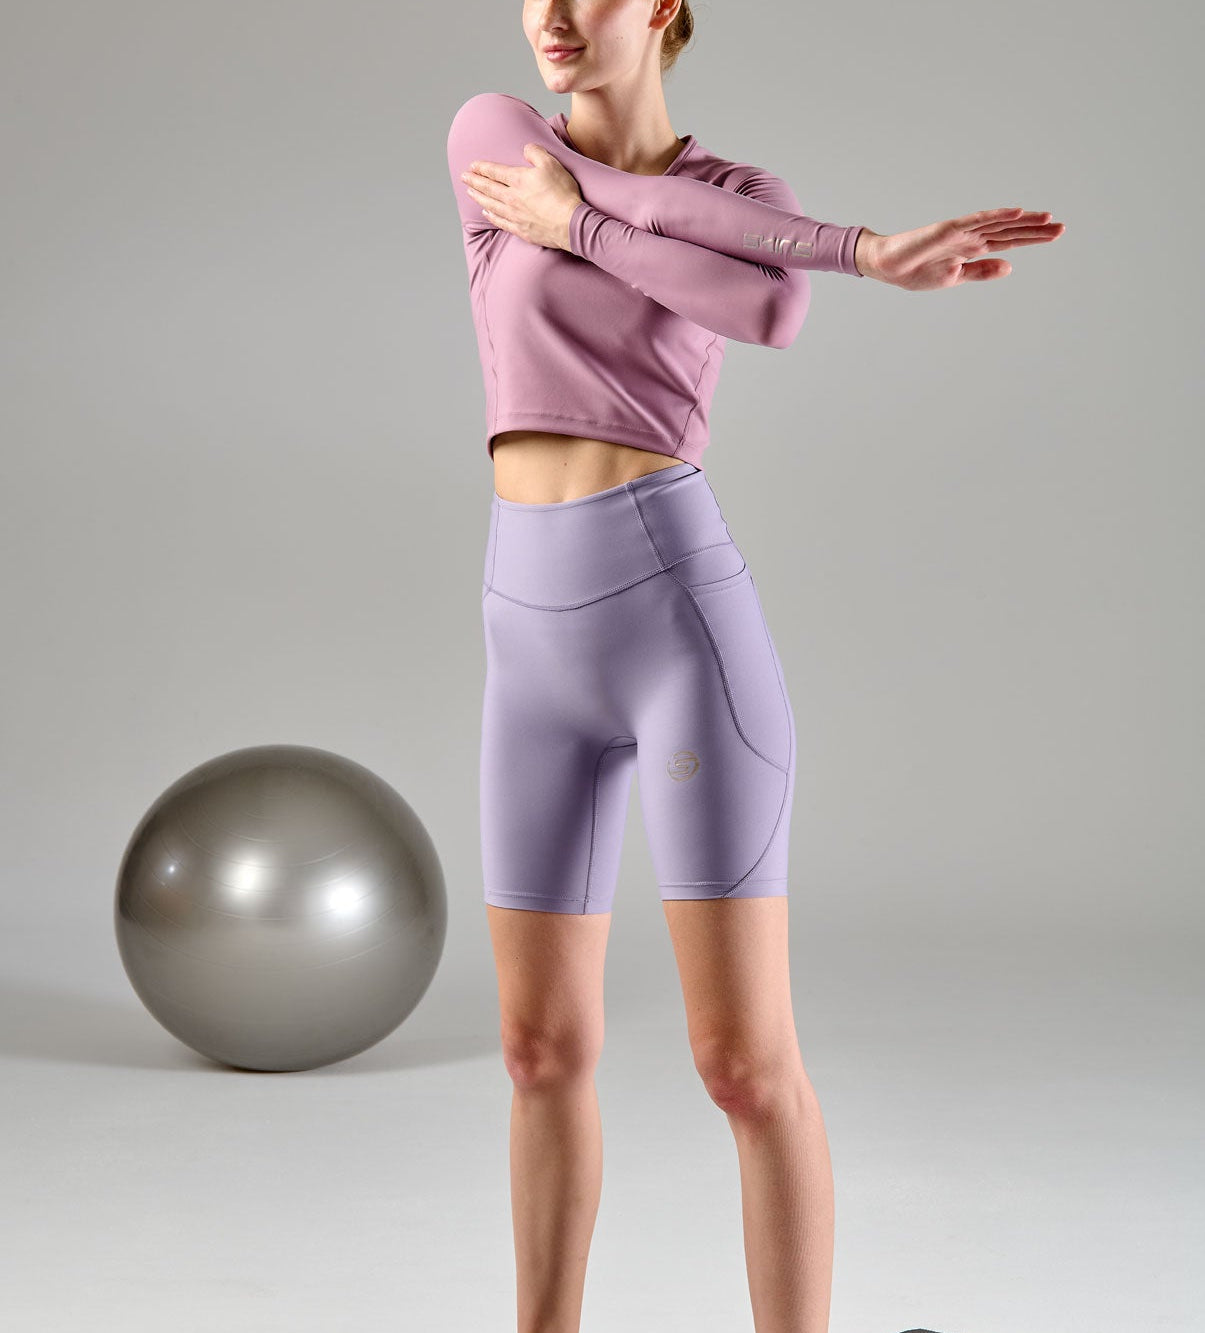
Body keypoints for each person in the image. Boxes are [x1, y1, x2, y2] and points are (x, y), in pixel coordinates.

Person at [446, 4, 1063, 1332]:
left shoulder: (743, 199)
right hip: (525, 637)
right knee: (536, 1050)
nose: (551, 14)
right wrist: (858, 250)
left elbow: (766, 310)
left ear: (663, 5)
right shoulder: (493, 139)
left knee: (740, 1061)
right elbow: (667, 231)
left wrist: (584, 228)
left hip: (672, 621)